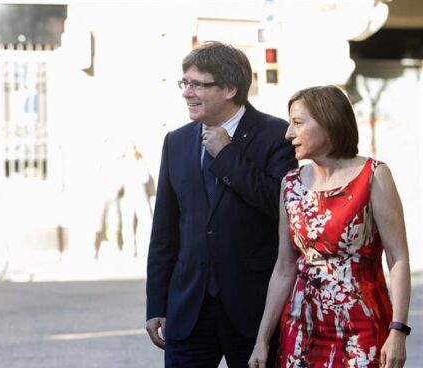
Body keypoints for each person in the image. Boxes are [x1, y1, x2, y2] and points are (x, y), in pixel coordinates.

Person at [145, 41, 297, 367]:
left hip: (253, 307)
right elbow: (165, 229)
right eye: (184, 83)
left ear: (230, 88)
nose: (187, 92)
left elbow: (280, 204)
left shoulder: (276, 135)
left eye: (198, 84)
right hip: (189, 308)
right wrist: (156, 303)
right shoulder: (176, 141)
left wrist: (228, 157)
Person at [248, 85, 411, 368]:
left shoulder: (373, 176)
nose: (288, 133)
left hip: (362, 328)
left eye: (297, 123)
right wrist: (262, 339)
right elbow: (285, 266)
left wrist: (398, 330)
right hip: (300, 329)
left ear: (329, 122)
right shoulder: (290, 184)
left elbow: (398, 258)